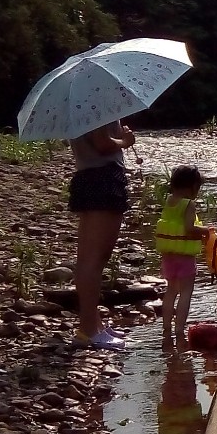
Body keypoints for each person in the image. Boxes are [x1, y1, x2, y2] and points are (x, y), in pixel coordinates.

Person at [68, 119, 135, 351]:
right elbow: (102, 144)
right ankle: (89, 330)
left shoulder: (81, 102)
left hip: (88, 177)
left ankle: (93, 324)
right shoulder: (98, 99)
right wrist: (125, 141)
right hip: (103, 179)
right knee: (95, 260)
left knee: (88, 259)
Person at [155, 164, 209, 347]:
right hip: (184, 256)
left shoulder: (170, 200)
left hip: (168, 254)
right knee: (186, 292)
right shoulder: (188, 204)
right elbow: (189, 227)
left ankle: (166, 327)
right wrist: (205, 230)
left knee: (171, 290)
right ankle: (179, 329)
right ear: (192, 186)